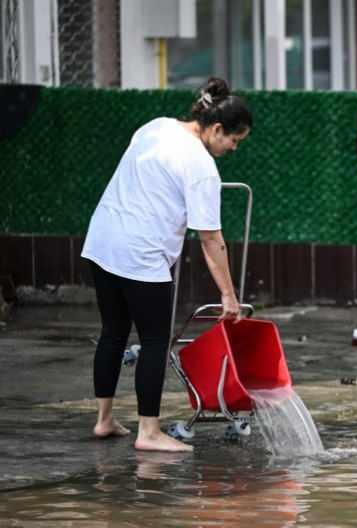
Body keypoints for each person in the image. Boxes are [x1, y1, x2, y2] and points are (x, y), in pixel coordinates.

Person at [81, 77, 252, 452]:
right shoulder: (201, 165)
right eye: (233, 141)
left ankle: (104, 420)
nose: (233, 149)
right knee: (155, 340)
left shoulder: (156, 126)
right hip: (141, 255)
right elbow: (211, 239)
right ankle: (149, 432)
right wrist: (229, 295)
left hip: (102, 240)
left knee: (113, 331)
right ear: (217, 128)